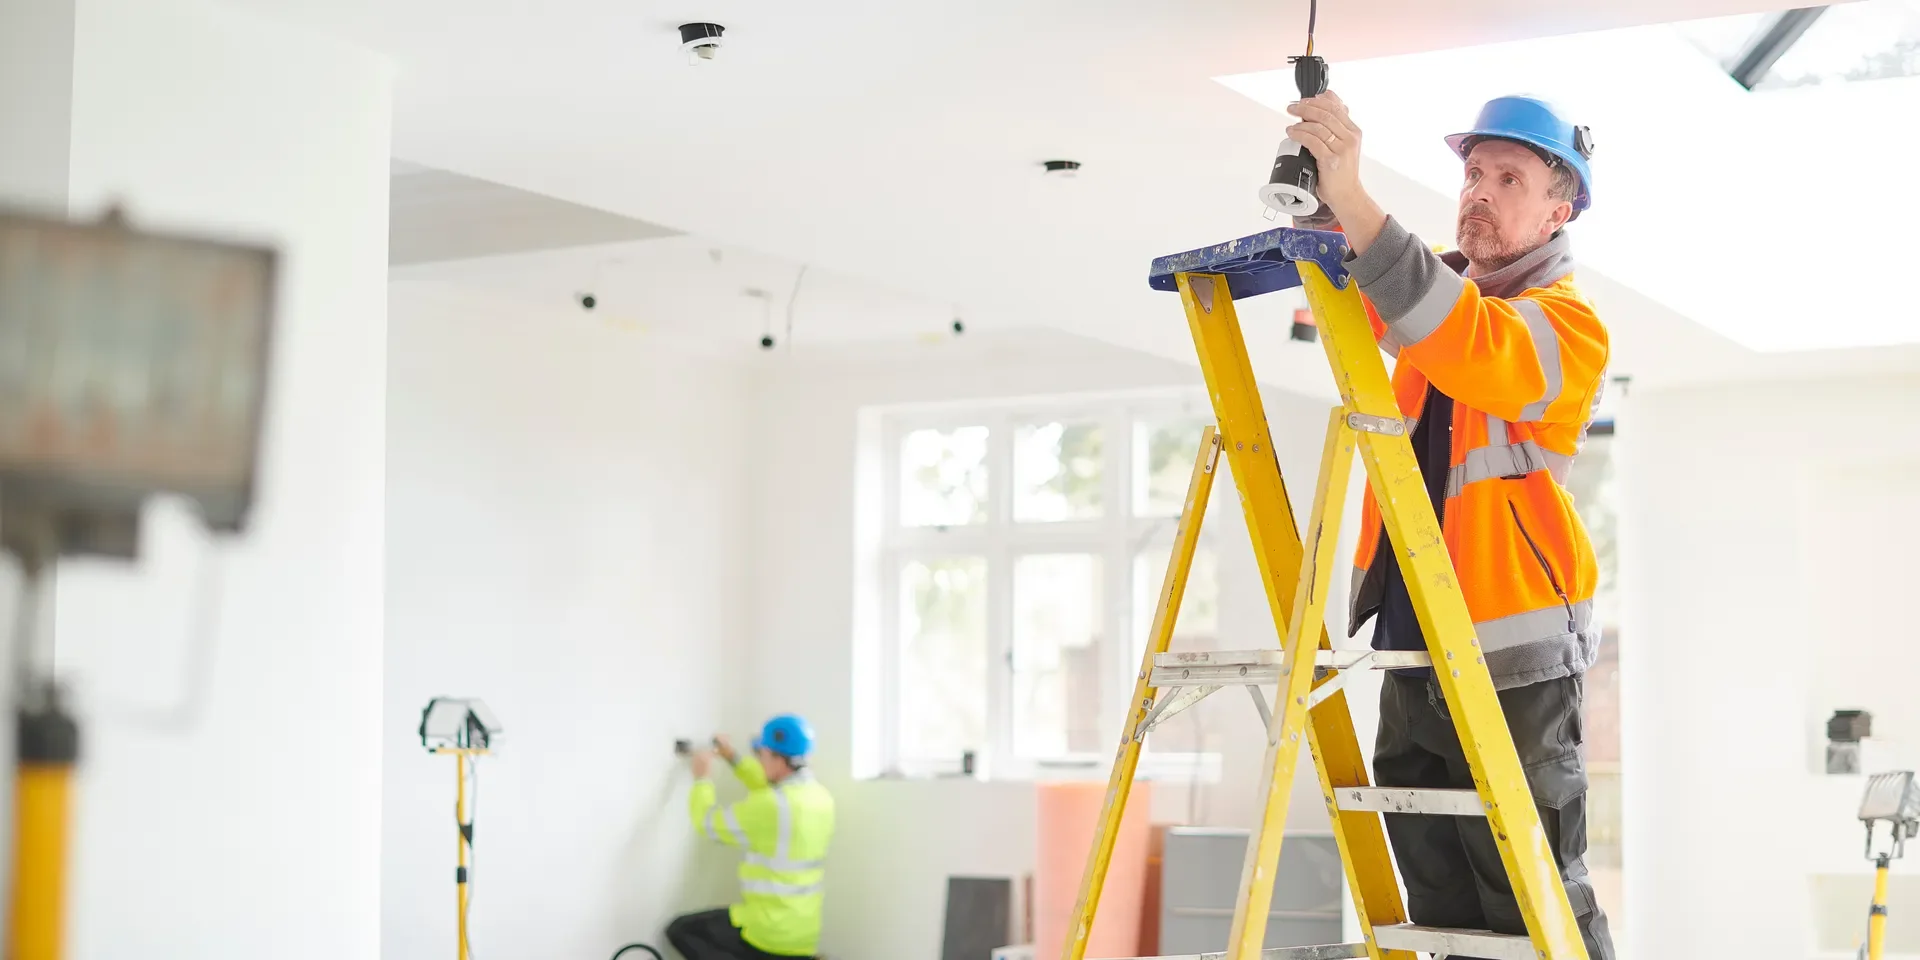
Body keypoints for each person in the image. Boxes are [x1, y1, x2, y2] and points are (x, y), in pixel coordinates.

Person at [1282, 91, 1616, 959]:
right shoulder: (1443, 299)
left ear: (1559, 208)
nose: (1479, 191)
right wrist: (1322, 198)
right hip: (1413, 640)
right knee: (1440, 905)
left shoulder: (1566, 328)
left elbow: (1463, 334)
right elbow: (1374, 297)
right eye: (1472, 173)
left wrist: (1357, 204)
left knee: (1532, 896)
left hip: (1509, 655)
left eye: (1510, 178)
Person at [667, 714, 835, 960]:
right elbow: (767, 785)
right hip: (803, 933)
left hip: (768, 932)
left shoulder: (770, 805)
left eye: (762, 755)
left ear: (779, 759)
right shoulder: (820, 798)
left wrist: (702, 779)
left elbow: (708, 823)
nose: (759, 760)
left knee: (682, 931)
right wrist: (731, 757)